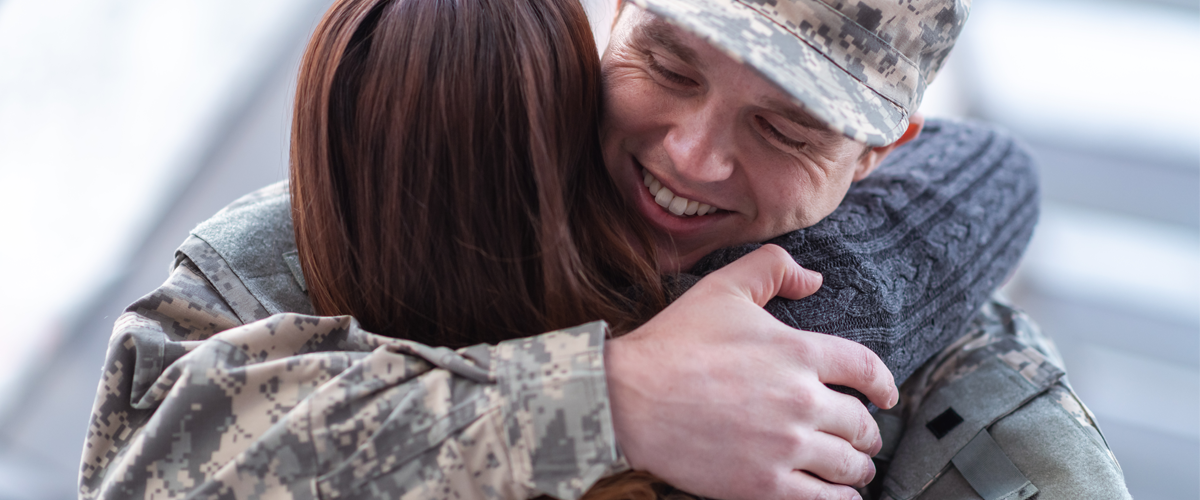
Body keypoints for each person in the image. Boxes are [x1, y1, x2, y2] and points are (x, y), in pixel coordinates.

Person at [79, 0, 1126, 499]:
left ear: (875, 153)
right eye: (669, 63)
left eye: (787, 128)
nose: (692, 152)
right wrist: (605, 401)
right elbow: (142, 471)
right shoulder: (359, 218)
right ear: (615, 15)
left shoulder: (947, 359)